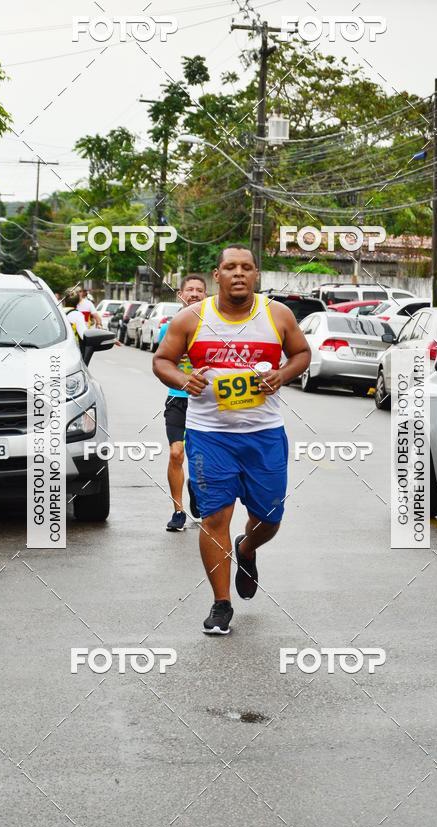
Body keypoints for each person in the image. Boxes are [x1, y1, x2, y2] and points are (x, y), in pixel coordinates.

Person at [153, 245, 311, 635]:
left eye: (246, 267)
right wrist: (182, 379)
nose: (238, 273)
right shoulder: (192, 318)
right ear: (217, 275)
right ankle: (221, 604)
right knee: (214, 516)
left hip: (264, 436)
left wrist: (283, 374)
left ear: (256, 274)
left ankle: (246, 549)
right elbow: (162, 360)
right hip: (210, 436)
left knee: (270, 519)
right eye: (230, 267)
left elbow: (302, 353)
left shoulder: (277, 315)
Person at [158, 274, 207, 532]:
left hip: (206, 403)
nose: (195, 294)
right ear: (180, 294)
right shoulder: (170, 327)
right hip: (178, 399)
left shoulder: (214, 326)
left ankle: (196, 489)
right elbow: (164, 362)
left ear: (206, 295)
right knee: (176, 453)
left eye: (200, 290)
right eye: (190, 290)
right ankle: (178, 511)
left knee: (199, 458)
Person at [63, 293, 87, 357]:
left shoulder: (56, 312)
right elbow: (84, 336)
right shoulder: (77, 315)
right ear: (78, 302)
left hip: (56, 350)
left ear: (64, 301)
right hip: (72, 352)